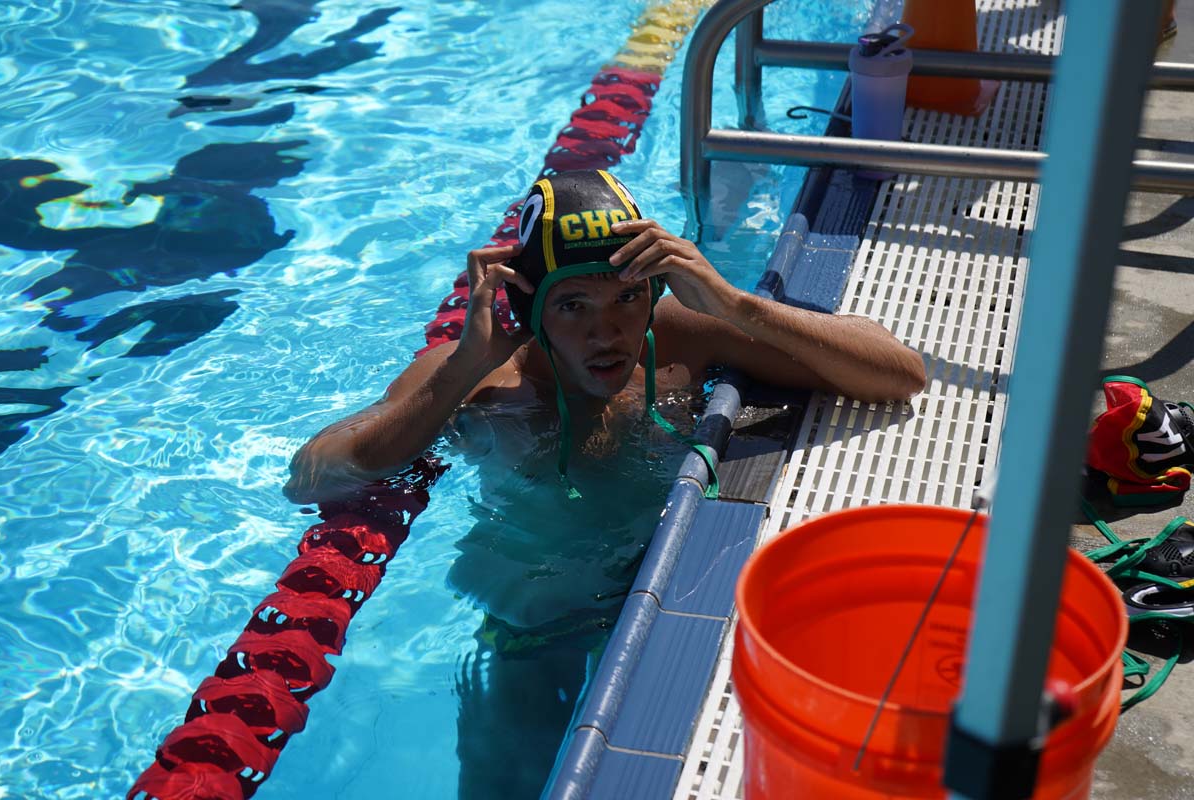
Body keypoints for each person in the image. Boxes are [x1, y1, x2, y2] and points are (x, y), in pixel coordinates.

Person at [283, 169, 926, 798]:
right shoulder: (484, 381)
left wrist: (733, 303)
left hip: (677, 590)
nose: (607, 332)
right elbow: (313, 477)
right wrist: (458, 372)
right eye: (572, 306)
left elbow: (899, 374)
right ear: (532, 310)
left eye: (627, 296)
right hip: (532, 629)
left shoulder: (677, 335)